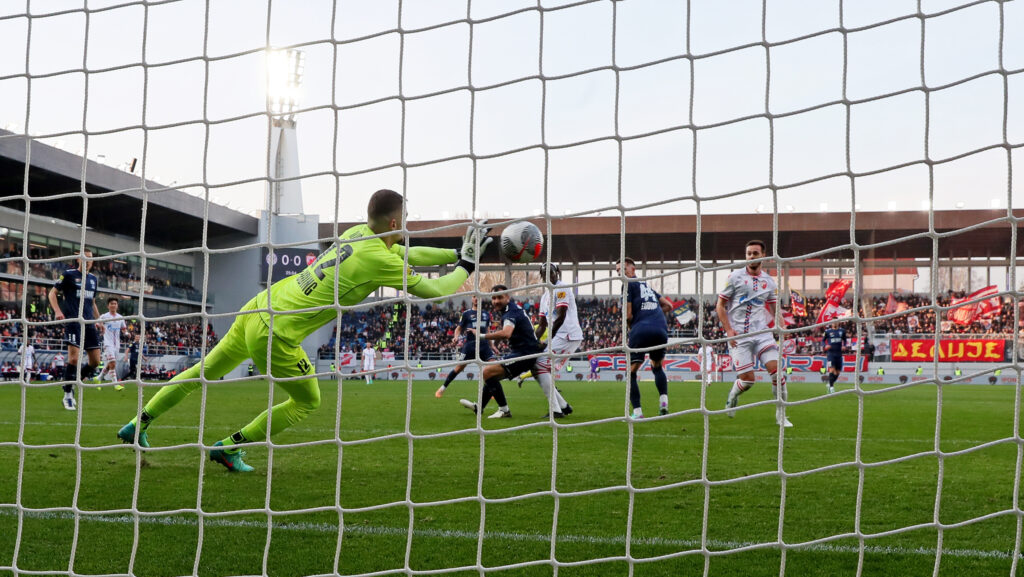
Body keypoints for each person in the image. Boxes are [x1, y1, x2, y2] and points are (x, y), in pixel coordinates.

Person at [116, 189, 492, 472]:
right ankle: (229, 447)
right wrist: (468, 266)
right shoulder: (378, 257)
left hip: (258, 308)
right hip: (276, 332)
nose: (407, 221)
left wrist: (455, 254)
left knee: (202, 372)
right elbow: (434, 291)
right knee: (307, 401)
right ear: (395, 222)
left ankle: (138, 423)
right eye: (405, 216)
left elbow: (410, 255)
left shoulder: (360, 235)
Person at [460, 284, 572, 419]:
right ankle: (480, 407)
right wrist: (495, 344)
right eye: (494, 298)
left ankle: (504, 410)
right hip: (525, 351)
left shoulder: (510, 312)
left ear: (508, 297)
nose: (496, 301)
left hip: (525, 354)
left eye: (499, 297)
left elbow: (507, 333)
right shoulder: (510, 309)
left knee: (487, 372)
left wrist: (481, 335)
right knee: (491, 374)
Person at [717, 240, 791, 427]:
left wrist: (782, 327)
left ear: (763, 256)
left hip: (762, 333)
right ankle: (733, 394)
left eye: (755, 253)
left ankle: (781, 415)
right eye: (749, 253)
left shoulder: (769, 281)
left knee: (777, 372)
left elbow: (775, 308)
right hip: (739, 336)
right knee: (749, 381)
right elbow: (720, 306)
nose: (751, 256)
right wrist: (728, 330)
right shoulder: (734, 277)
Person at [617, 258, 673, 419]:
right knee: (657, 367)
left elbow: (628, 314)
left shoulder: (627, 285)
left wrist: (632, 328)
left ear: (633, 270)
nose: (619, 273)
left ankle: (637, 412)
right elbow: (669, 306)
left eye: (622, 269)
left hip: (641, 329)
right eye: (617, 271)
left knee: (631, 372)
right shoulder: (647, 287)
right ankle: (664, 403)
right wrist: (652, 314)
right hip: (661, 329)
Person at [48, 248, 101, 411]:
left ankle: (74, 380)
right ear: (79, 259)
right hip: (73, 322)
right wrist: (57, 311)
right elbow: (52, 293)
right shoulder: (69, 275)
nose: (89, 261)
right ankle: (68, 394)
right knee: (73, 359)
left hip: (89, 324)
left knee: (95, 362)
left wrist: (98, 320)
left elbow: (91, 302)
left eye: (91, 258)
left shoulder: (93, 279)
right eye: (85, 258)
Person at [436, 295, 492, 398]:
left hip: (484, 345)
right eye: (474, 296)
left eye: (478, 296)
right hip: (470, 345)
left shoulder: (486, 314)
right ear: (472, 298)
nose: (476, 298)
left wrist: (492, 346)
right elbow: (458, 329)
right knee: (458, 368)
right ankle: (442, 388)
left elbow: (488, 331)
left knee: (493, 368)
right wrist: (455, 337)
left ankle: (492, 390)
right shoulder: (466, 314)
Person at [97, 297, 127, 390]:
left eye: (115, 303)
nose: (113, 305)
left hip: (117, 345)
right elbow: (97, 324)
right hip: (107, 343)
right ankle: (115, 384)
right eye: (111, 303)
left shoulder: (120, 317)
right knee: (113, 363)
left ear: (117, 306)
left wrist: (127, 334)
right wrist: (100, 326)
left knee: (111, 364)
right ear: (108, 306)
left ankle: (99, 377)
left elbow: (124, 329)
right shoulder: (104, 316)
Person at [822, 319, 847, 394]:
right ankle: (831, 388)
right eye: (833, 322)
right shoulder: (827, 331)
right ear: (831, 323)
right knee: (832, 370)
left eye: (836, 322)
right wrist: (825, 345)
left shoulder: (842, 331)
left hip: (839, 354)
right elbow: (823, 340)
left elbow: (845, 340)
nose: (835, 323)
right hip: (831, 354)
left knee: (837, 372)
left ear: (838, 322)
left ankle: (829, 384)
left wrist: (844, 346)